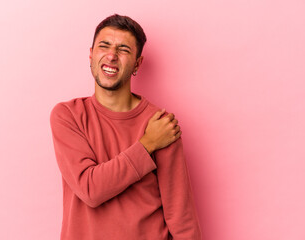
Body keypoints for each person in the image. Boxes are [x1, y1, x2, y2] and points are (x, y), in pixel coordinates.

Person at [50, 14, 201, 240]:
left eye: (123, 50)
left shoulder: (160, 125)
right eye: (104, 46)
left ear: (137, 64)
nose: (111, 56)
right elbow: (89, 189)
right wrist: (148, 144)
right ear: (91, 55)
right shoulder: (68, 115)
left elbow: (181, 216)